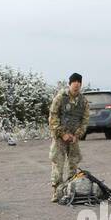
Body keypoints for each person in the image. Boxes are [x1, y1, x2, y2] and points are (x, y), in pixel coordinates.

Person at [48, 73, 89, 201]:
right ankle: (57, 192)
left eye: (79, 82)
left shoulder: (83, 101)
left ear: (81, 84)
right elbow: (53, 117)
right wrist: (62, 133)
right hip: (60, 137)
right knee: (58, 164)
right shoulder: (60, 98)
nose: (76, 84)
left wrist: (77, 135)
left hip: (73, 138)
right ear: (70, 83)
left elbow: (85, 120)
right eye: (74, 82)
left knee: (73, 164)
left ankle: (70, 189)